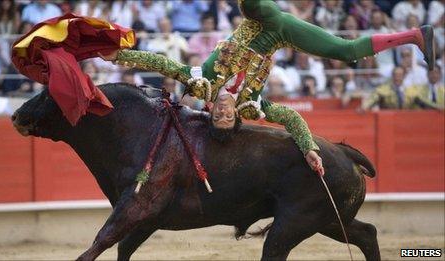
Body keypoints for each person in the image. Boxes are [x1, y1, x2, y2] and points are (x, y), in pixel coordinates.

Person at [101, 0, 436, 175]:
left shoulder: (200, 81)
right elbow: (291, 118)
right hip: (283, 32)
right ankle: (416, 36)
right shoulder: (252, 104)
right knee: (346, 51)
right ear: (234, 117)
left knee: (249, 4)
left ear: (208, 111)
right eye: (226, 117)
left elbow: (160, 63)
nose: (221, 111)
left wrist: (119, 55)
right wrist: (310, 149)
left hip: (261, 18)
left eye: (216, 115)